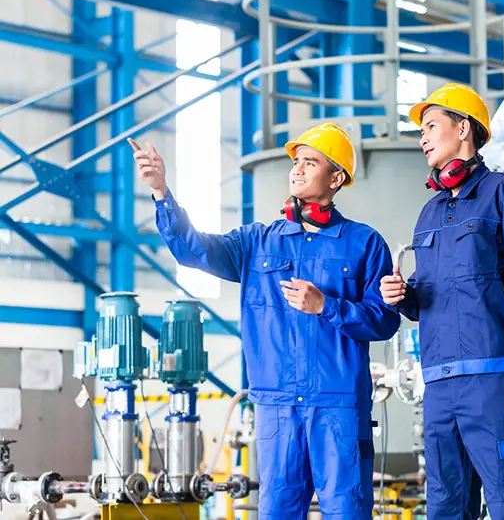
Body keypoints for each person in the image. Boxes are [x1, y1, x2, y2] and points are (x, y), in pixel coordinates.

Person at [129, 123, 401, 520]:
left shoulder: (364, 243)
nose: (297, 169)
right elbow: (193, 250)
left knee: (347, 512)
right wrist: (160, 192)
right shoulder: (256, 242)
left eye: (311, 162)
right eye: (296, 161)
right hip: (277, 407)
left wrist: (327, 306)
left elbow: (383, 320)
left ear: (337, 177)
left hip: (339, 406)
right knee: (276, 512)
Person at [380, 83, 504, 520]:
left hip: (495, 380)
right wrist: (403, 297)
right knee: (444, 506)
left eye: (430, 126)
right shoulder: (431, 212)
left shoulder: (503, 192)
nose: (422, 137)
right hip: (439, 383)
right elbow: (430, 297)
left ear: (463, 129)